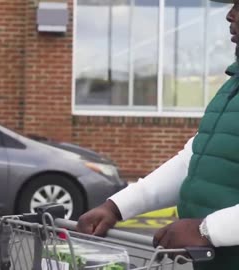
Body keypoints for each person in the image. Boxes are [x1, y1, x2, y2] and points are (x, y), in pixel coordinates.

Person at [77, 0, 239, 269]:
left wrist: (207, 230)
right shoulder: (230, 88)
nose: (229, 15)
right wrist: (116, 207)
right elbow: (192, 161)